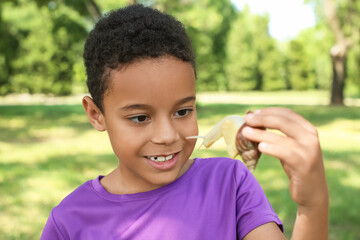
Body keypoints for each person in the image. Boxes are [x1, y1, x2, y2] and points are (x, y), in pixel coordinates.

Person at [40, 4, 328, 240]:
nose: (167, 136)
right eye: (140, 117)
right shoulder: (69, 222)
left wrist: (313, 205)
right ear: (95, 114)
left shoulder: (230, 184)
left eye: (182, 112)